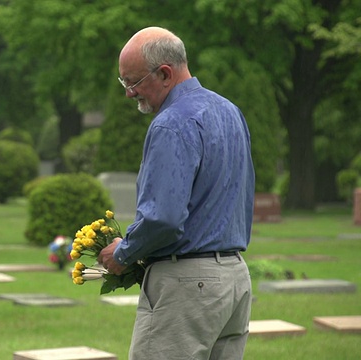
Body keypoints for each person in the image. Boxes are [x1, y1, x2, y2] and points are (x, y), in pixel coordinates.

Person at [98, 27, 255, 360]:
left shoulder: (172, 122)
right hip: (235, 279)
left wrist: (123, 252)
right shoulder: (230, 112)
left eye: (133, 82)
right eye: (124, 83)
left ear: (165, 73)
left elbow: (165, 218)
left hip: (188, 284)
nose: (128, 94)